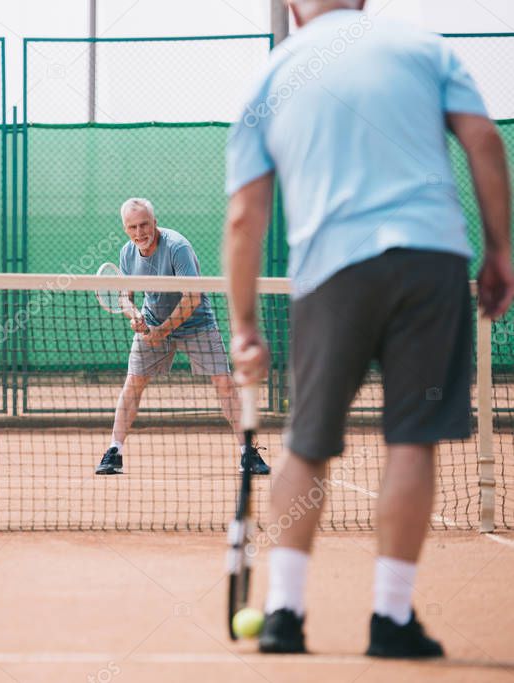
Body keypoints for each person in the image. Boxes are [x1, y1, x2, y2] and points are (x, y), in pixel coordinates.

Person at [224, 0, 514, 658]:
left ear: (293, 8)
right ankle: (390, 619)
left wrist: (244, 324)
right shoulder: (423, 48)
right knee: (412, 441)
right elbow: (485, 141)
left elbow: (244, 217)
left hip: (330, 273)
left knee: (305, 442)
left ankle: (283, 614)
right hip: (431, 260)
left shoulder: (270, 77)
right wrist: (498, 251)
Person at [95, 198, 271, 476]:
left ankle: (248, 452)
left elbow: (192, 297)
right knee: (133, 384)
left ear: (155, 222)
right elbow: (125, 297)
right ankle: (114, 451)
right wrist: (134, 316)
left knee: (224, 383)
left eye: (144, 225)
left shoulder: (178, 247)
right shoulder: (127, 254)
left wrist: (162, 331)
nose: (139, 232)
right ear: (125, 228)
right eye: (132, 227)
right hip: (152, 320)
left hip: (196, 323)